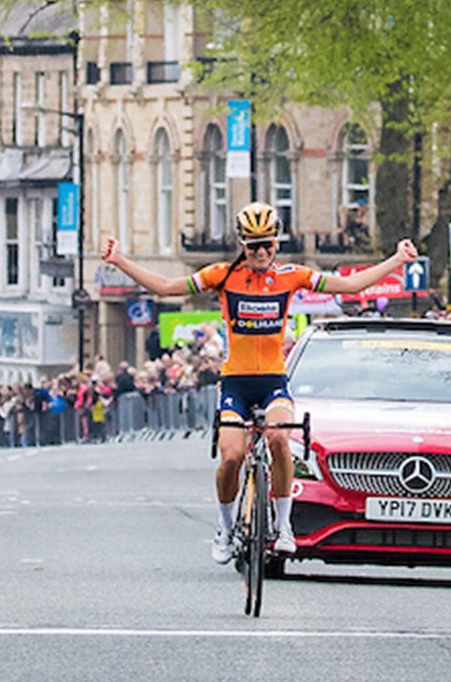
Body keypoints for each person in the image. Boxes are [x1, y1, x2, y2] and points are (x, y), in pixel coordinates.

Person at [100, 202, 417, 563]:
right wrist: (120, 261)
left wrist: (396, 260)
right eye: (253, 246)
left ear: (277, 244)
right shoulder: (222, 275)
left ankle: (283, 526)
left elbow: (348, 285)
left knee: (280, 438)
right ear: (242, 246)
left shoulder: (291, 275)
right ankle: (225, 525)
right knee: (232, 456)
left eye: (267, 244)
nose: (261, 253)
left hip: (273, 381)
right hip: (235, 382)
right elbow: (168, 286)